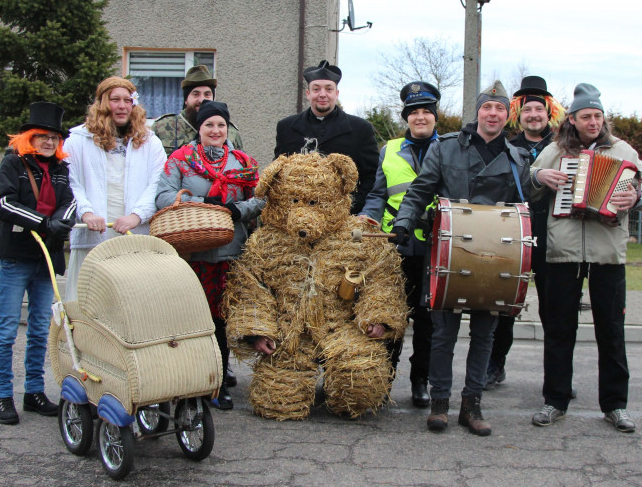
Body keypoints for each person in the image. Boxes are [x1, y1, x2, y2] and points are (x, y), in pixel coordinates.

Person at [391, 81, 534, 436]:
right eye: (487, 107)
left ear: (507, 115)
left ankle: (471, 406)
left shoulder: (518, 159)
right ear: (479, 112)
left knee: (484, 335)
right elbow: (419, 191)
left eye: (500, 109)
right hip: (448, 253)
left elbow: (528, 209)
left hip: (495, 259)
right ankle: (440, 404)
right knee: (443, 335)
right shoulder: (447, 148)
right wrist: (404, 222)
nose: (493, 114)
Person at [529, 83, 642, 433]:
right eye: (586, 116)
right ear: (572, 119)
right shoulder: (556, 150)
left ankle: (615, 405)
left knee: (612, 331)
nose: (593, 122)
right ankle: (555, 400)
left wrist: (639, 198)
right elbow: (530, 178)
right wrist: (541, 175)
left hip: (607, 253)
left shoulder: (622, 149)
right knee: (559, 330)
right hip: (563, 252)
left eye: (598, 116)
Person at [156, 100, 264, 411]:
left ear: (227, 128)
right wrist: (204, 202)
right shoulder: (180, 160)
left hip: (231, 251)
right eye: (209, 126)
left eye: (220, 125)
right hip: (192, 252)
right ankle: (190, 380)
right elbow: (163, 195)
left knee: (220, 318)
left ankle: (216, 381)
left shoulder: (242, 161)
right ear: (199, 129)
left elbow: (260, 199)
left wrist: (236, 209)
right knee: (192, 318)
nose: (215, 131)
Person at [0, 101, 77, 425]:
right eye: (42, 136)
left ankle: (33, 392)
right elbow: (3, 203)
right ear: (29, 136)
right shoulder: (12, 164)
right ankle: (3, 396)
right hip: (16, 258)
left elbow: (70, 202)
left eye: (54, 137)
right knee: (7, 330)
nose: (48, 142)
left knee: (41, 330)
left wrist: (60, 223)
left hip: (46, 261)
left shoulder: (60, 169)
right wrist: (44, 224)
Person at [361, 80, 441, 408]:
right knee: (391, 315)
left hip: (436, 245)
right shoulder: (389, 149)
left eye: (426, 111)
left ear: (435, 116)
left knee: (427, 319)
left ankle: (420, 380)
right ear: (405, 118)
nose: (420, 117)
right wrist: (368, 218)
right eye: (414, 113)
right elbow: (379, 193)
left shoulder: (448, 147)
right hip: (396, 244)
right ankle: (385, 377)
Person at [485, 76, 565, 390]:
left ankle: (556, 377)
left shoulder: (563, 146)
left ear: (549, 113)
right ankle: (494, 365)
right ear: (519, 114)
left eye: (539, 110)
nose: (534, 115)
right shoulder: (506, 146)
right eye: (528, 110)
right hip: (512, 235)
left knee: (554, 309)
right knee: (503, 305)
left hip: (552, 235)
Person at [62, 77, 166, 303]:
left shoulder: (150, 142)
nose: (122, 106)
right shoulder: (78, 140)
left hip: (131, 231)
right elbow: (70, 183)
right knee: (89, 301)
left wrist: (136, 216)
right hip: (93, 231)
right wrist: (86, 212)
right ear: (102, 103)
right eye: (115, 99)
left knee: (129, 302)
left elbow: (158, 183)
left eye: (128, 100)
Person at [274, 60, 379, 215]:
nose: (322, 94)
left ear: (336, 94)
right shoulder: (286, 127)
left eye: (328, 89)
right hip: (296, 215)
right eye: (316, 89)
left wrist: (349, 207)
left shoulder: (360, 129)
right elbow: (279, 173)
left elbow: (371, 177)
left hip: (344, 216)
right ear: (308, 94)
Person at [151, 64, 245, 156]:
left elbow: (242, 165)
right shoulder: (161, 127)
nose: (201, 100)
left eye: (207, 94)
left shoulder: (229, 132)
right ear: (186, 100)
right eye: (195, 94)